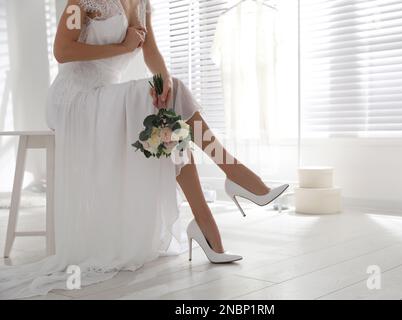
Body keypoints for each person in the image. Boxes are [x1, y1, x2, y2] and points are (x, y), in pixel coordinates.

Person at [0, 0, 288, 299]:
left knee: (169, 106)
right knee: (167, 110)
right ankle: (233, 177)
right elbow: (63, 50)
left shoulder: (141, 3)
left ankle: (208, 224)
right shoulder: (82, 3)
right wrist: (123, 47)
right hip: (75, 99)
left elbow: (150, 49)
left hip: (106, 96)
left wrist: (163, 85)